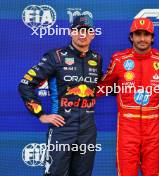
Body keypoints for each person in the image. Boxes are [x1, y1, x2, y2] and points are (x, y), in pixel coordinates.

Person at [18, 15, 103, 176]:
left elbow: (100, 86)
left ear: (93, 34)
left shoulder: (97, 59)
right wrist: (41, 114)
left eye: (87, 30)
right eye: (78, 30)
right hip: (62, 128)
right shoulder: (55, 56)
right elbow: (25, 84)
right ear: (71, 32)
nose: (82, 34)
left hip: (88, 130)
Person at [98, 18, 159, 175]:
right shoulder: (119, 59)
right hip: (127, 125)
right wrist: (82, 94)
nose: (142, 39)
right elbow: (103, 86)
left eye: (146, 34)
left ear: (152, 37)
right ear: (131, 37)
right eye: (138, 34)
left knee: (153, 173)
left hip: (153, 125)